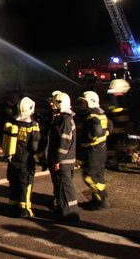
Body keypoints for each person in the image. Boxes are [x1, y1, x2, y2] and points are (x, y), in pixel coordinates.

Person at [2, 97, 40, 218]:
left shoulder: (13, 121)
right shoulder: (32, 126)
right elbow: (34, 146)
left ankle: (12, 207)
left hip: (12, 158)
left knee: (13, 183)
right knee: (26, 184)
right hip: (25, 160)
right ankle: (25, 210)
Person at [47, 92, 79, 221]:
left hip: (64, 161)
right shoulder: (62, 118)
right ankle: (62, 210)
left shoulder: (65, 120)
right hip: (63, 160)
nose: (51, 104)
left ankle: (70, 215)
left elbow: (64, 142)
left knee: (66, 187)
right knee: (60, 185)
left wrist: (58, 159)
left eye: (53, 102)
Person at [78, 91, 110, 210]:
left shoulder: (93, 114)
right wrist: (104, 135)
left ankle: (102, 199)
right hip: (101, 150)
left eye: (83, 102)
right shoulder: (101, 112)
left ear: (90, 102)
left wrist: (90, 139)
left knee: (89, 176)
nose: (81, 104)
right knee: (99, 177)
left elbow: (96, 130)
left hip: (94, 151)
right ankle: (96, 200)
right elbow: (109, 126)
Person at [105, 78, 131, 169]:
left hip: (116, 128)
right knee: (112, 145)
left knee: (113, 145)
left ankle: (114, 160)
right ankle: (112, 161)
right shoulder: (116, 99)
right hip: (115, 128)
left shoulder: (115, 98)